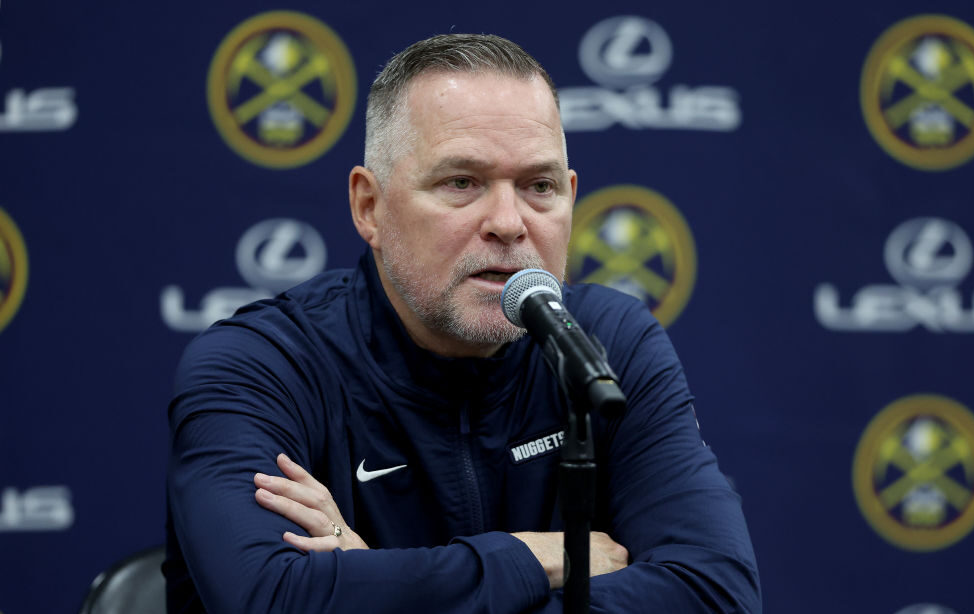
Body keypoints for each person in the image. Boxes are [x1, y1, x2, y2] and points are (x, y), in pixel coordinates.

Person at [164, 33, 761, 613]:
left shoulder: (606, 347)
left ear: (571, 199)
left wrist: (371, 580)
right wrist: (531, 561)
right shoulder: (260, 366)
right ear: (369, 207)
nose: (508, 221)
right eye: (461, 183)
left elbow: (716, 595)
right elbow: (273, 598)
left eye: (539, 186)